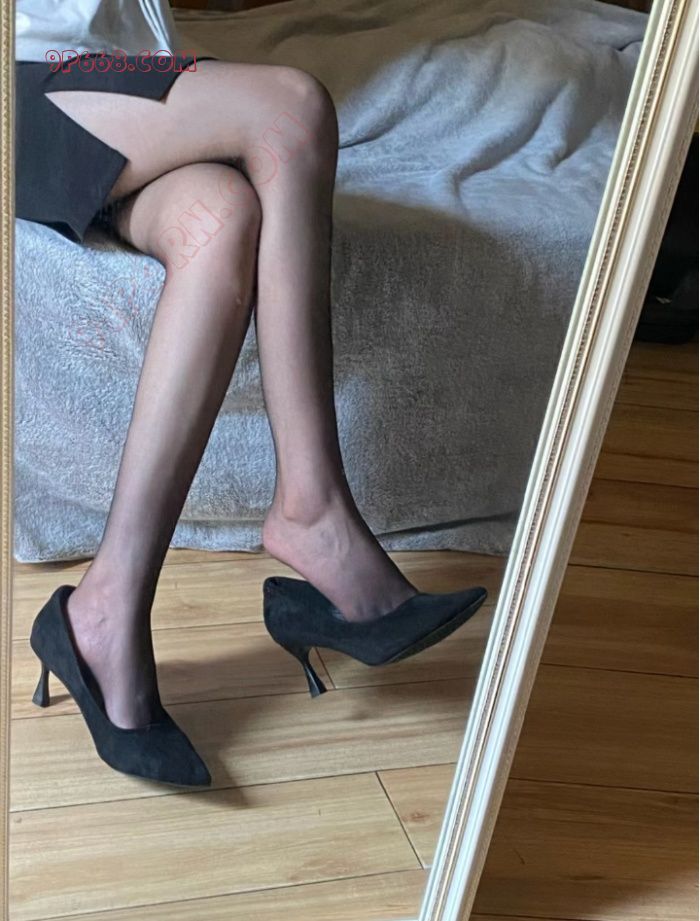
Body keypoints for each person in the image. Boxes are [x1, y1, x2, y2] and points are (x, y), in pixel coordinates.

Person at [18, 0, 487, 786]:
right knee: (290, 105)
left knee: (223, 218)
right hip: (30, 80)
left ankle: (105, 607)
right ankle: (311, 507)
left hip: (113, 78)